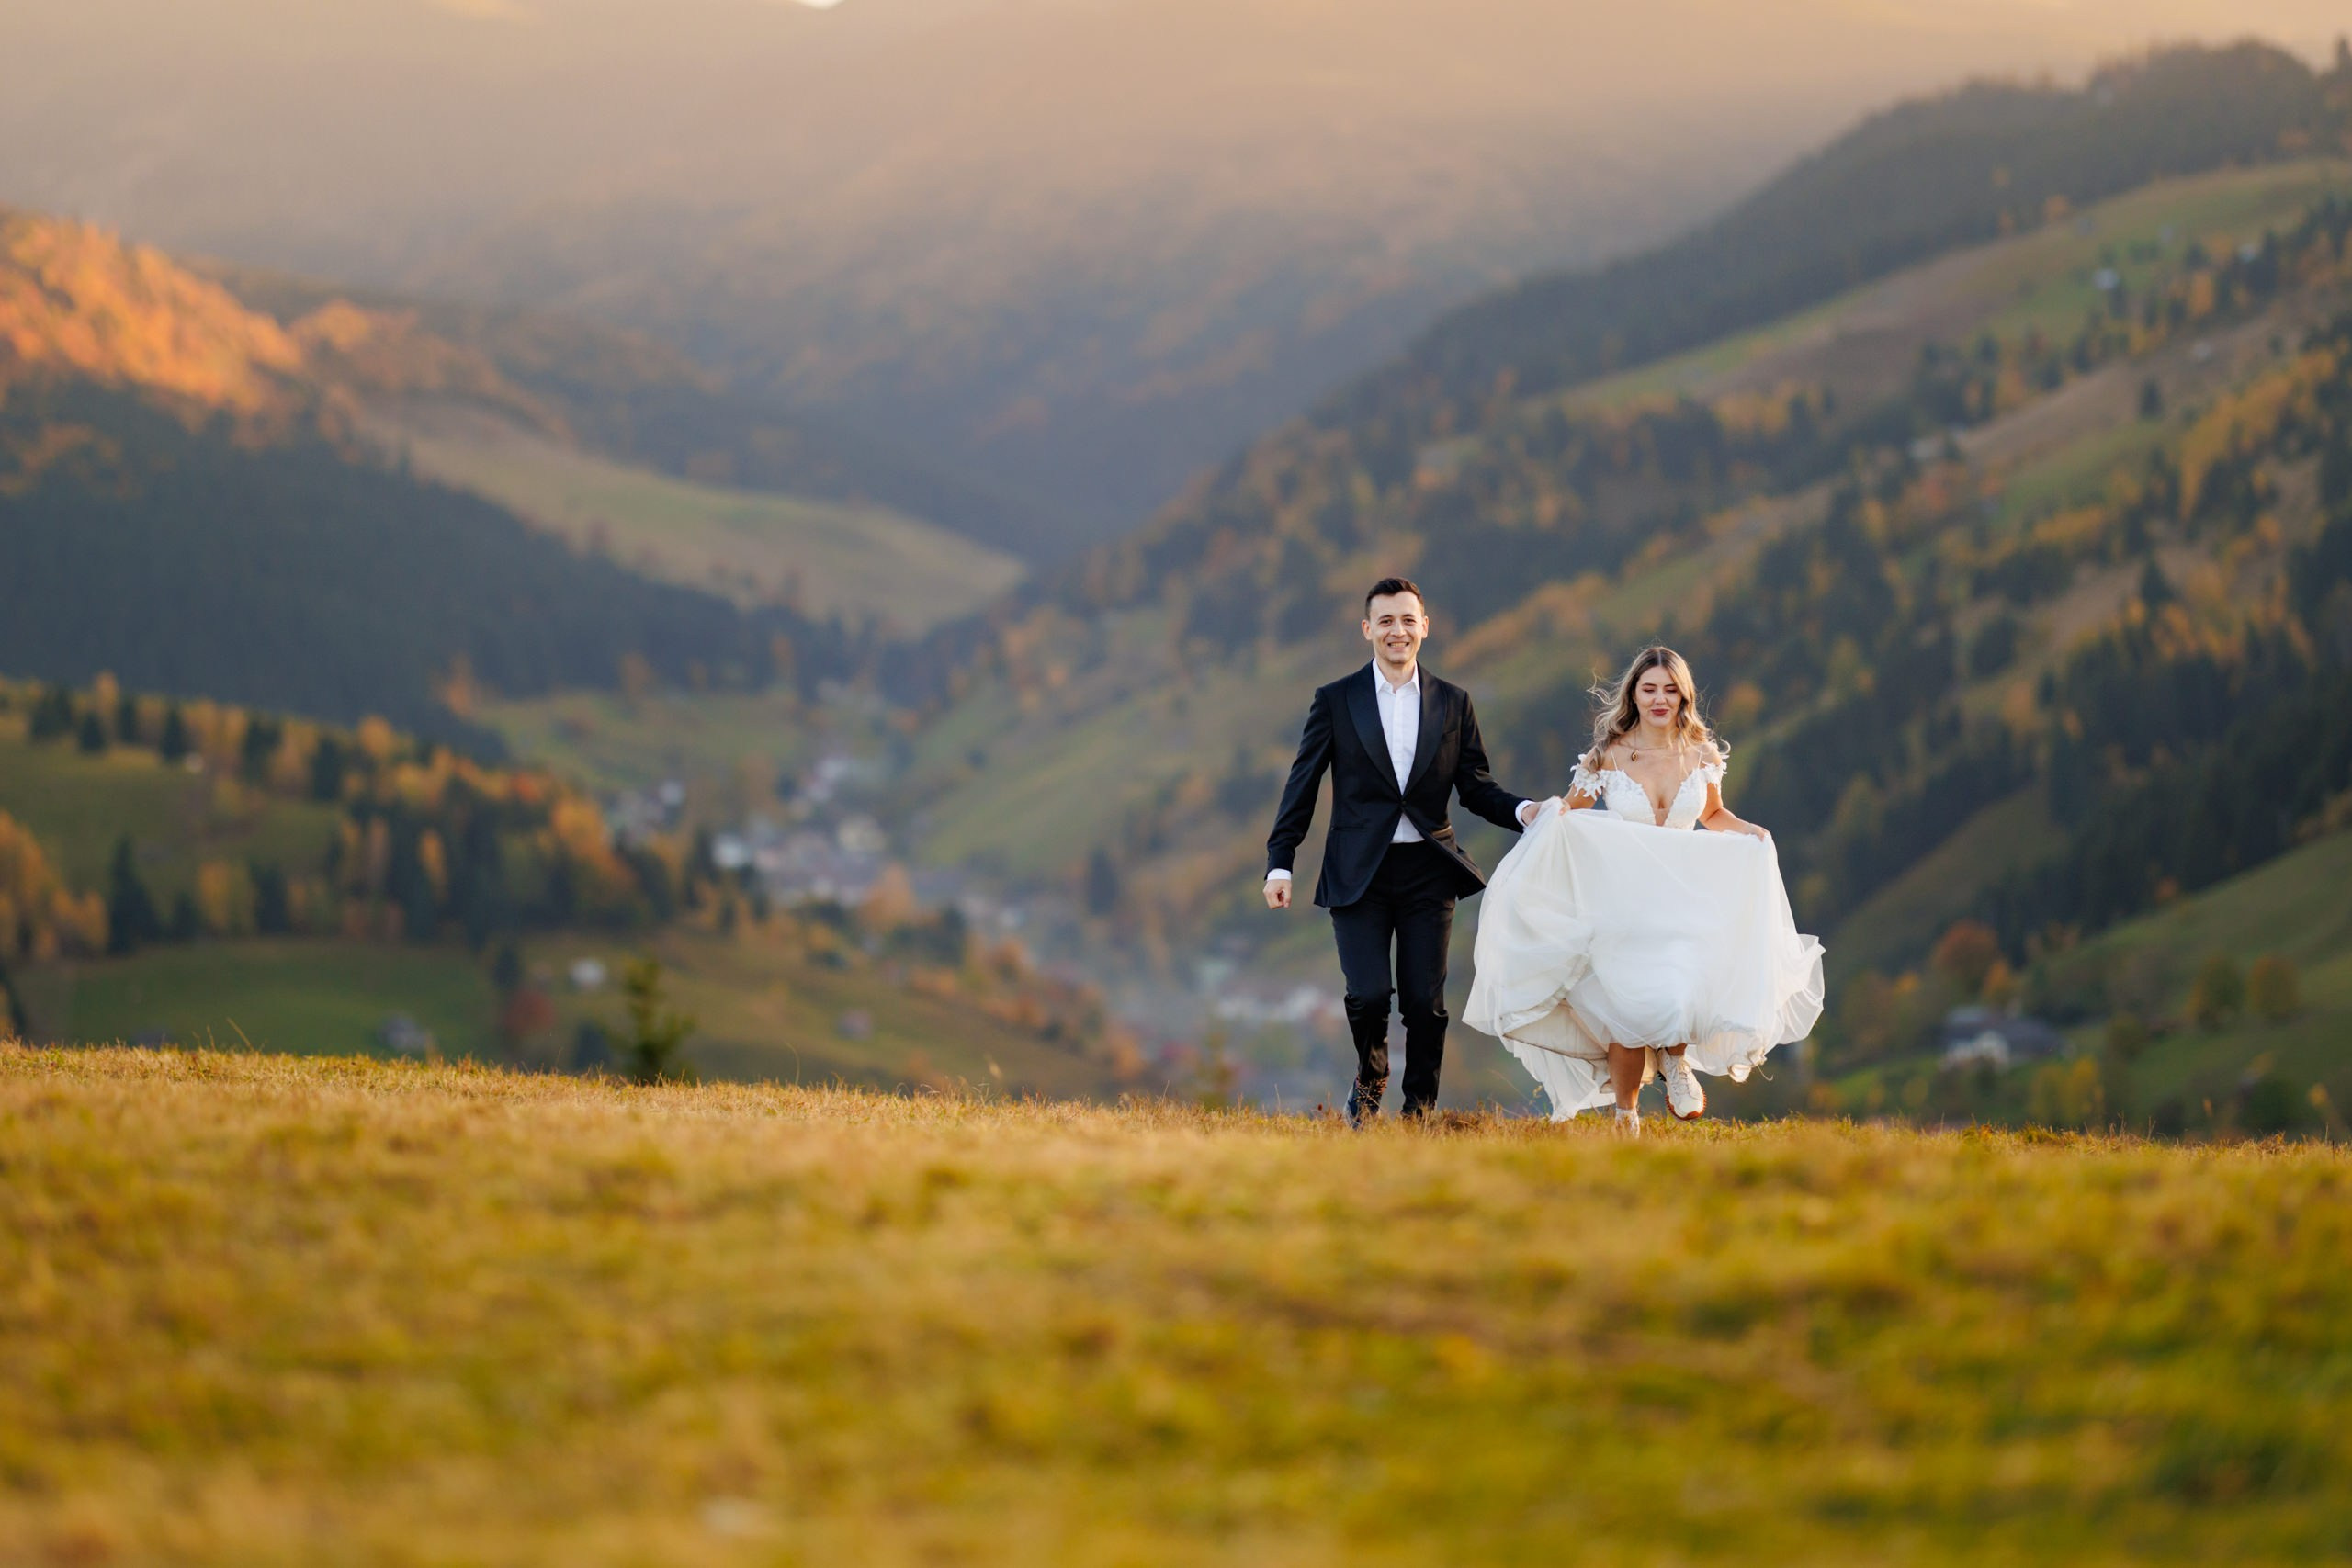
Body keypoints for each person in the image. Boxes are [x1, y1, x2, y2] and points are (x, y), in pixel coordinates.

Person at [1464, 646, 1824, 1135]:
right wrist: (1548, 821)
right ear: (1634, 693)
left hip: (1681, 900)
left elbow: (1712, 815)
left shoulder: (1701, 753)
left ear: (1684, 696)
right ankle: (1626, 1118)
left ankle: (1676, 1061)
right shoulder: (1609, 753)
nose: (1659, 699)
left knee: (1673, 994)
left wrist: (1750, 832)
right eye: (1649, 689)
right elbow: (1575, 809)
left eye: (1670, 690)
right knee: (1626, 1015)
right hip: (1621, 903)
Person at [1264, 577, 1539, 1125]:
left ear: (1425, 628)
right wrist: (1281, 861)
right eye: (1386, 621)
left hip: (1427, 873)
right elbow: (1303, 784)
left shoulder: (1454, 704)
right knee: (1368, 997)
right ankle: (1370, 1084)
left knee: (1423, 1005)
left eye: (1408, 620)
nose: (1398, 631)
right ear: (1367, 630)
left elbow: (1476, 786)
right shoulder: (1336, 701)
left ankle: (1419, 1113)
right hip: (1357, 873)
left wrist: (1524, 812)